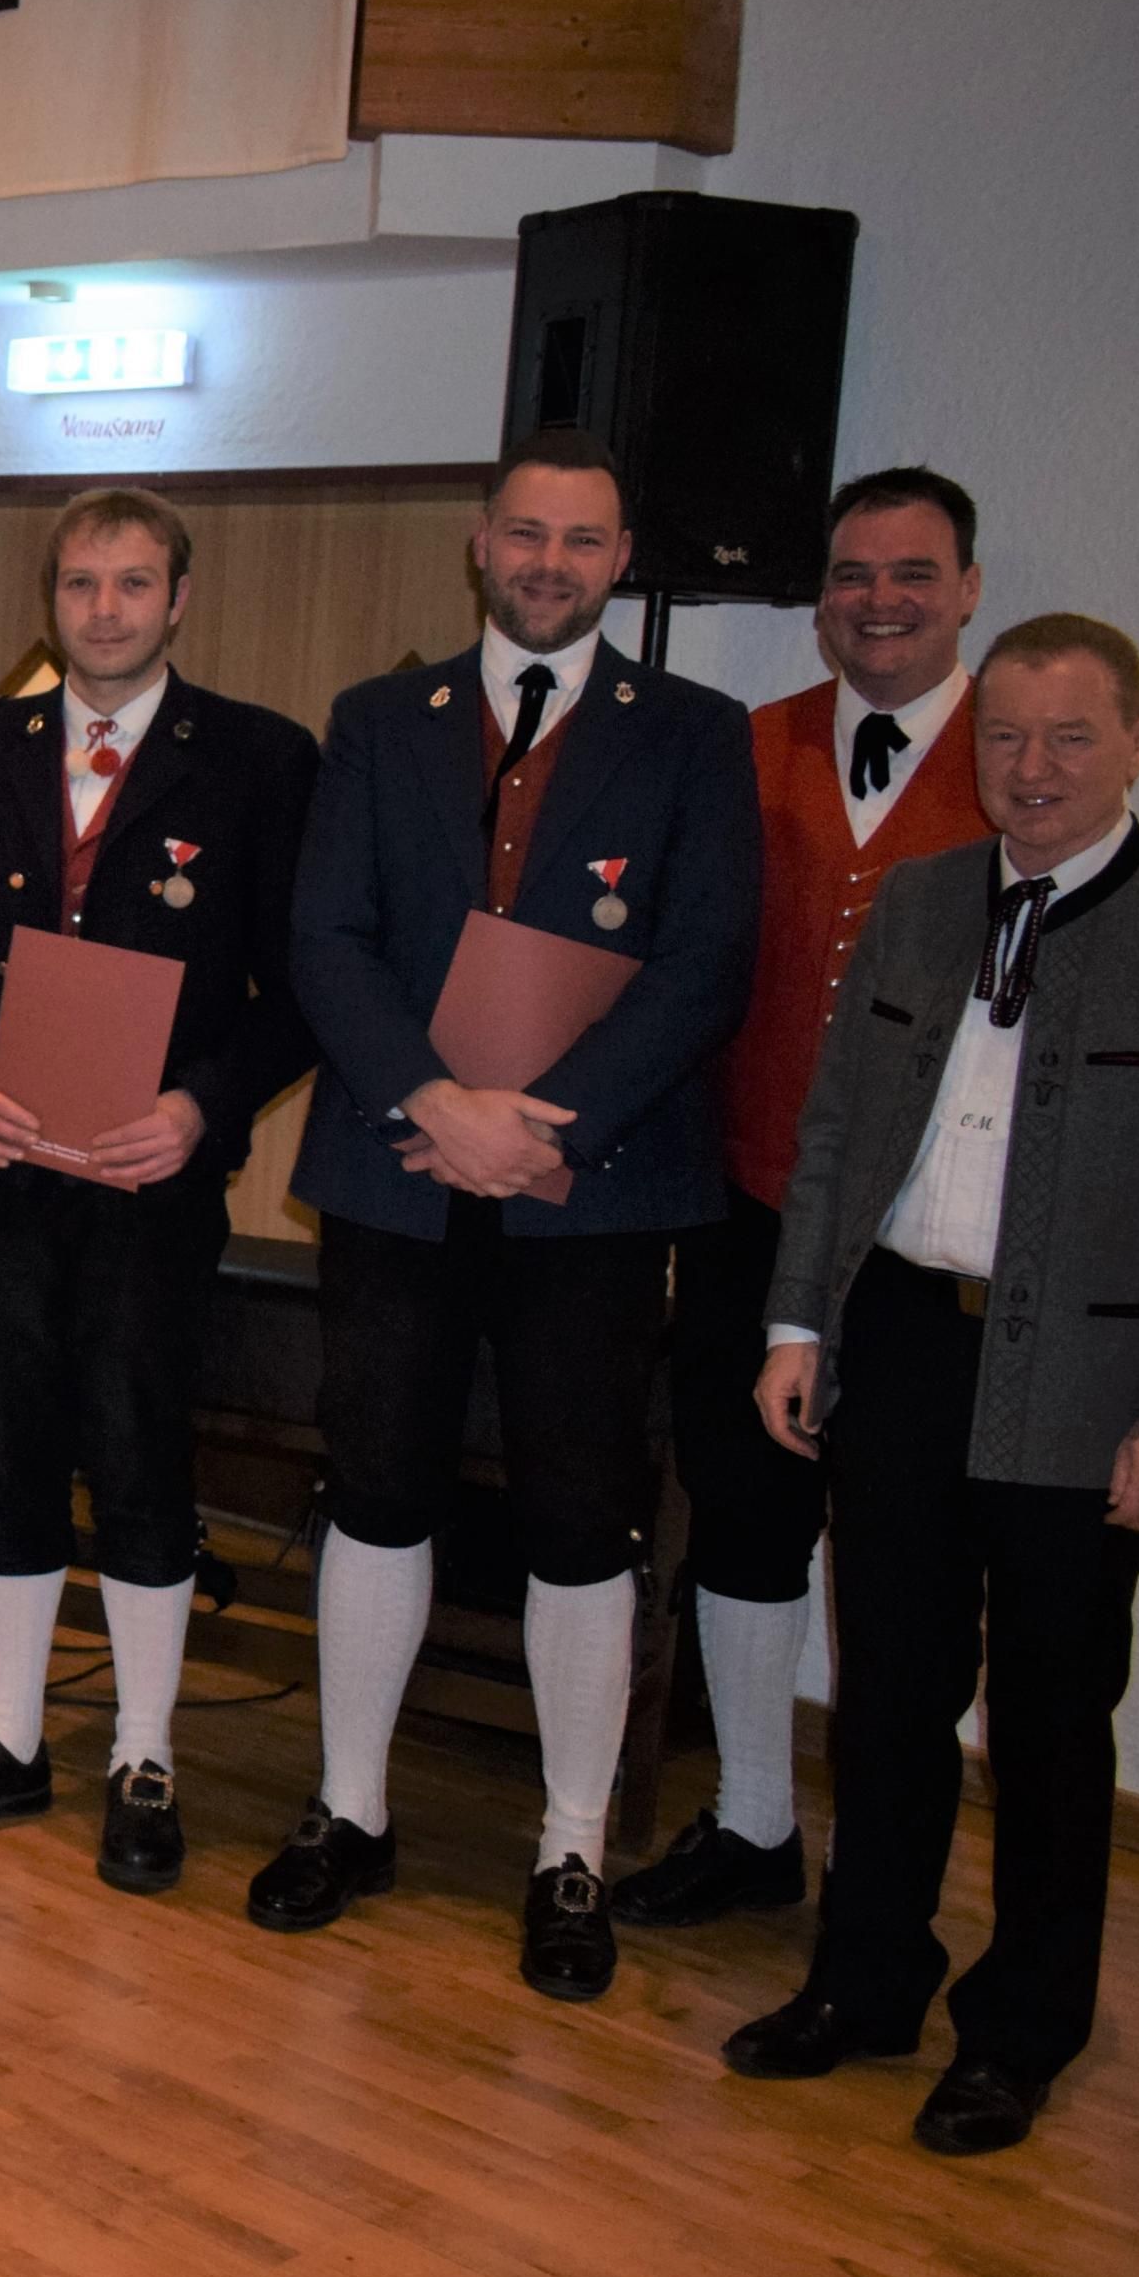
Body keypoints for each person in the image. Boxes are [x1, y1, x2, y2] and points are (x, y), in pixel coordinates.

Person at [265, 430, 759, 2001]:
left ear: (622, 561)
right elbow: (326, 937)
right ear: (481, 543)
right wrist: (435, 1100)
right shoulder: (377, 719)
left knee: (581, 1514)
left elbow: (706, 964)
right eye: (527, 533)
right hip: (398, 1170)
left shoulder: (695, 734)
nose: (551, 563)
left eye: (584, 539)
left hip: (593, 1192)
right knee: (375, 1488)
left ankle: (571, 1845)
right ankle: (352, 1809)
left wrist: (545, 1123)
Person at [728, 614, 1139, 2155]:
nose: (1032, 767)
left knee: (1054, 1719)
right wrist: (797, 1322)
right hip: (902, 1347)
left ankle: (1020, 2031)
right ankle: (866, 1980)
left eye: (1071, 736)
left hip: (1091, 1380)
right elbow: (833, 1131)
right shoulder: (926, 900)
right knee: (887, 1694)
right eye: (1005, 735)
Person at [0, 492, 322, 1886]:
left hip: (153, 1177)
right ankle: (11, 1738)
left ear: (179, 597)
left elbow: (296, 994)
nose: (106, 609)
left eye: (134, 583)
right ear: (51, 599)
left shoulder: (257, 759)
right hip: (7, 1164)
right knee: (10, 1442)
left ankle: (143, 1750)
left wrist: (199, 1110)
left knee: (138, 1448)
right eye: (81, 583)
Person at [622, 470, 993, 1932]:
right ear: (820, 596)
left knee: (904, 1559)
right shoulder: (749, 746)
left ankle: (887, 1889)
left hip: (918, 1242)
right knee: (743, 1517)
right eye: (852, 575)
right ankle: (752, 1821)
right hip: (747, 1206)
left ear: (967, 590)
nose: (879, 601)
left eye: (913, 574)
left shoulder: (1012, 757)